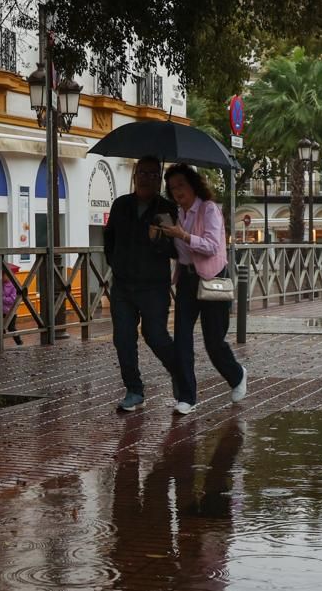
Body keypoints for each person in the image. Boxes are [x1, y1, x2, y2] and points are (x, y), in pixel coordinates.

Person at [157, 163, 246, 415]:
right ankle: (187, 396)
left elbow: (210, 246)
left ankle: (237, 374)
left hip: (211, 278)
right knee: (182, 339)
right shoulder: (176, 213)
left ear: (193, 184)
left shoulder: (209, 210)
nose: (177, 192)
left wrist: (182, 235)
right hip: (186, 280)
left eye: (181, 185)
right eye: (172, 188)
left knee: (213, 342)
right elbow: (178, 251)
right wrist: (165, 235)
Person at [102, 156, 181, 412]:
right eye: (143, 173)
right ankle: (134, 389)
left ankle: (180, 376)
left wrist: (158, 239)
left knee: (155, 335)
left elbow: (175, 250)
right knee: (123, 338)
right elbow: (109, 239)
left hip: (153, 285)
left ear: (160, 179)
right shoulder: (120, 205)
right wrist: (116, 263)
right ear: (135, 175)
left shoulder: (167, 209)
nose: (147, 178)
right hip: (123, 285)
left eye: (153, 174)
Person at [2, 264, 23, 346]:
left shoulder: (13, 286)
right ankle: (0, 343)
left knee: (11, 328)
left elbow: (12, 300)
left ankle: (19, 342)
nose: (3, 277)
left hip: (10, 312)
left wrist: (2, 299)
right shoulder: (0, 284)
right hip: (1, 311)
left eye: (4, 275)